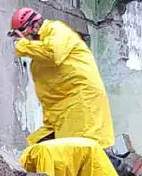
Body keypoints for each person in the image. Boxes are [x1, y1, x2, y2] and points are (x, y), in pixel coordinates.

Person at [11, 8, 115, 149]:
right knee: (37, 149)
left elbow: (54, 53)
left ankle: (122, 167)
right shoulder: (38, 59)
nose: (19, 39)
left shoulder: (57, 30)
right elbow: (50, 97)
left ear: (34, 25)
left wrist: (24, 46)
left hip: (81, 104)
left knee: (85, 152)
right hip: (63, 115)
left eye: (21, 32)